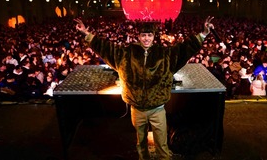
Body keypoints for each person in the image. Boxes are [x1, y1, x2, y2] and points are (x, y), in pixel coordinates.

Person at [74, 16, 215, 160]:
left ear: (154, 36)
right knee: (141, 143)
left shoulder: (165, 55)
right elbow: (105, 48)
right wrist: (86, 33)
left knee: (162, 145)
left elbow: (185, 49)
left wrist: (203, 34)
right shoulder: (125, 54)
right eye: (143, 35)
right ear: (138, 36)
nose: (146, 38)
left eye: (149, 35)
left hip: (158, 109)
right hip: (137, 109)